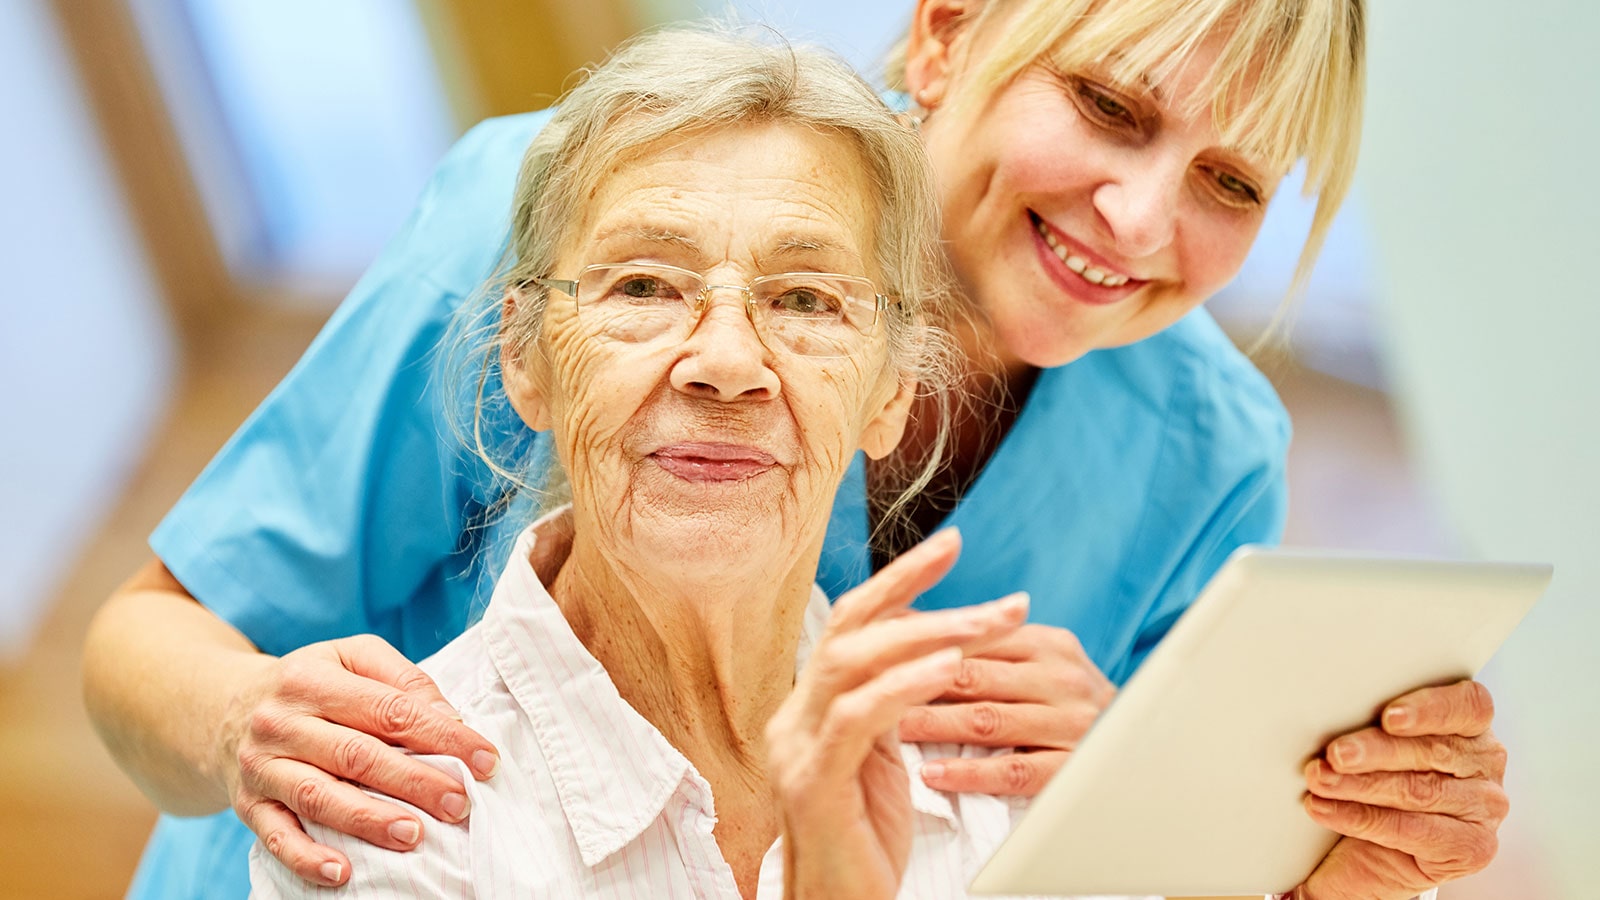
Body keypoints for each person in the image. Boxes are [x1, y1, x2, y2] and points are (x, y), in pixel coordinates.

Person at [83, 2, 1508, 899]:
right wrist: (239, 723)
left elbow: (1116, 864)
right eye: (1109, 106)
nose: (1140, 219)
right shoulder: (568, 225)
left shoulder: (1208, 454)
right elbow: (152, 637)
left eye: (1231, 182)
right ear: (946, 34)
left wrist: (1307, 824)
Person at [253, 31, 1040, 897]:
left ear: (891, 391)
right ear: (524, 355)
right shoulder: (388, 821)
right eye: (644, 286)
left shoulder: (995, 778)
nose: (729, 362)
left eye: (807, 298)